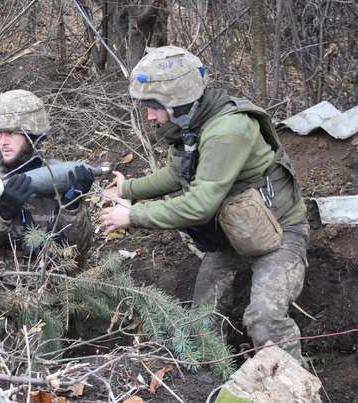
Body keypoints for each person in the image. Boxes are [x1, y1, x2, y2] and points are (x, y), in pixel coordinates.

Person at [101, 46, 309, 363]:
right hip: (233, 236)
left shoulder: (227, 130)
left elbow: (200, 205)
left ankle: (296, 391)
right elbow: (175, 173)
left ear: (176, 101)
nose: (149, 115)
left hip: (281, 233)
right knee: (201, 323)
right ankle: (210, 380)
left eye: (153, 106)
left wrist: (133, 215)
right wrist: (129, 187)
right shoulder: (190, 124)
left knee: (264, 319)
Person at [0, 89, 94, 268]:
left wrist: (72, 207)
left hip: (52, 285)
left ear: (33, 133)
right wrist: (2, 213)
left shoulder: (57, 176)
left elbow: (79, 250)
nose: (3, 141)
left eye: (11, 132)